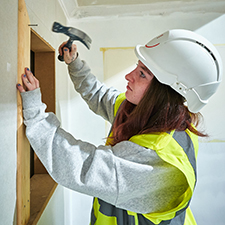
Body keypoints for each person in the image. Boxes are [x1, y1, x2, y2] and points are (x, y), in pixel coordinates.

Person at [17, 29, 222, 225]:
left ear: (164, 92)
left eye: (142, 74)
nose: (128, 76)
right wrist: (75, 64)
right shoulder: (145, 112)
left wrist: (35, 113)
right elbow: (100, 96)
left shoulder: (156, 162)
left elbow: (81, 166)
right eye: (137, 66)